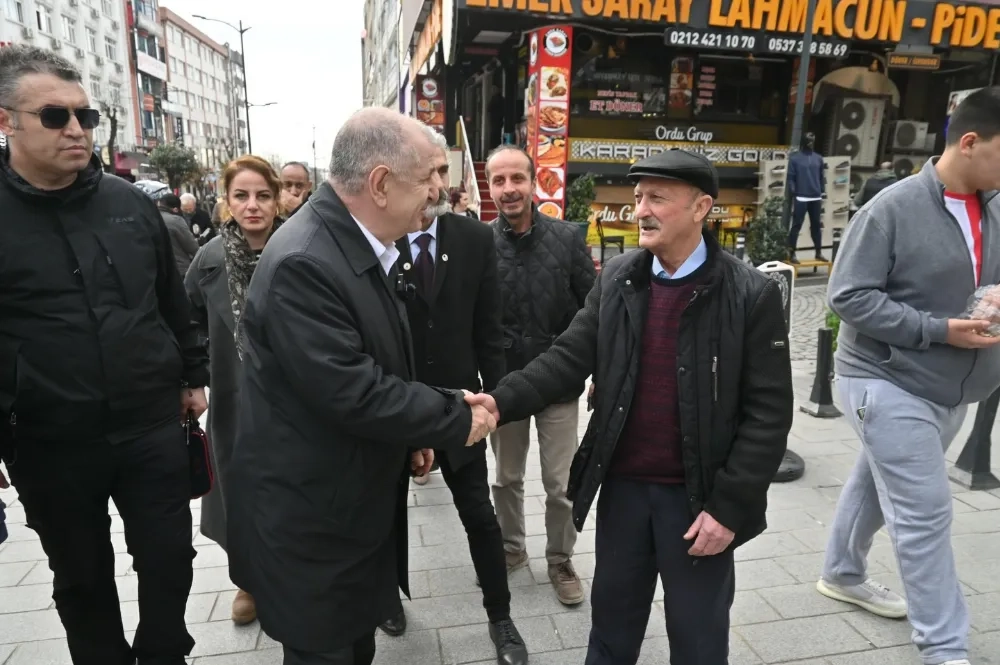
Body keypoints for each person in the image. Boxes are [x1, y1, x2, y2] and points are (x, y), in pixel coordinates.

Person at [466, 149, 793, 665]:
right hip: (624, 493)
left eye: (657, 198)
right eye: (639, 197)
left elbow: (769, 414)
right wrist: (498, 402)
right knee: (611, 633)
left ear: (701, 207)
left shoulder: (750, 294)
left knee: (699, 641)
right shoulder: (619, 277)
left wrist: (728, 509)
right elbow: (566, 358)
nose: (641, 210)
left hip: (698, 501)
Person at [225, 107, 498, 665]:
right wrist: (454, 415)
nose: (438, 191)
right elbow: (355, 390)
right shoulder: (305, 262)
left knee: (357, 646)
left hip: (350, 508)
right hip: (315, 526)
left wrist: (409, 437)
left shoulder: (358, 244)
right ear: (380, 183)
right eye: (428, 176)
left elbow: (381, 356)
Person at [0, 45, 208, 665]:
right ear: (6, 121)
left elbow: (171, 299)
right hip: (48, 438)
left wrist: (193, 375)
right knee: (82, 575)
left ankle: (164, 654)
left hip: (150, 422)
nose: (76, 130)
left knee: (170, 557)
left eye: (85, 117)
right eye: (55, 116)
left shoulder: (129, 203)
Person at [821, 86, 1000, 665]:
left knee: (877, 482)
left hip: (954, 385)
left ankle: (841, 572)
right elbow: (848, 296)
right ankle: (945, 648)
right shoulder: (891, 208)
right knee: (925, 512)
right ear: (969, 142)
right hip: (884, 378)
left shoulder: (996, 204)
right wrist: (938, 330)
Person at [385, 134, 528, 665]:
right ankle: (386, 598)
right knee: (385, 511)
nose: (437, 186)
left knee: (480, 516)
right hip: (394, 404)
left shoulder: (473, 238)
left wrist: (496, 399)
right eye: (426, 174)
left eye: (442, 172)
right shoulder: (378, 239)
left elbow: (489, 329)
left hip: (459, 407)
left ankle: (501, 616)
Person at [486, 145, 596, 605]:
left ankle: (560, 558)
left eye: (517, 178)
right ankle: (511, 549)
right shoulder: (479, 244)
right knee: (505, 477)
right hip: (505, 386)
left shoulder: (567, 238)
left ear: (534, 183)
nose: (509, 189)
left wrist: (601, 372)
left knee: (561, 483)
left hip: (558, 382)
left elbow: (594, 309)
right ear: (490, 187)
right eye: (499, 180)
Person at [185, 155, 285, 626]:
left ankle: (291, 573)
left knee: (290, 486)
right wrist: (201, 370)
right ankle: (247, 580)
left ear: (277, 199)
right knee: (240, 489)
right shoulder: (208, 258)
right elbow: (184, 318)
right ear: (226, 201)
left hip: (293, 396)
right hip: (234, 395)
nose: (252, 205)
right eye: (241, 196)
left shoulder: (300, 245)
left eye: (262, 195)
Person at [787, 131, 826, 264]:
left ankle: (818, 252)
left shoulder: (818, 158)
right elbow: (791, 177)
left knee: (816, 226)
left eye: (812, 141)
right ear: (804, 142)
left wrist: (822, 190)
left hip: (815, 197)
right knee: (796, 225)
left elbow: (821, 176)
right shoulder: (795, 159)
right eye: (808, 141)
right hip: (801, 196)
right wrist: (794, 191)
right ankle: (792, 253)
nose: (811, 143)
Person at [159, 192, 199, 277]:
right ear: (176, 209)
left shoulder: (149, 218)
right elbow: (192, 247)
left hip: (158, 270)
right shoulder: (176, 220)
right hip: (179, 269)